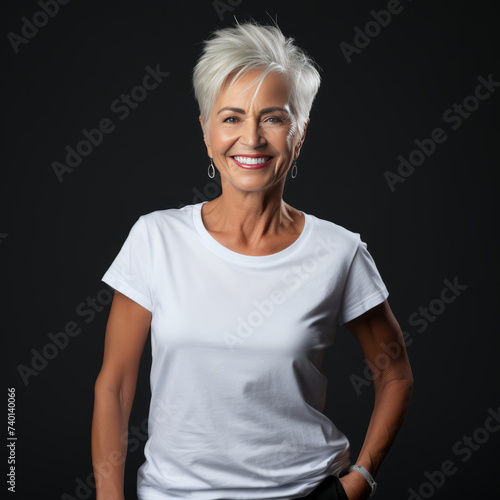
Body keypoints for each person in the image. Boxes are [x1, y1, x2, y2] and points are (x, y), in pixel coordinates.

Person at [91, 21, 414, 500]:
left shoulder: (339, 251)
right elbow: (115, 386)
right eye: (232, 117)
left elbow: (395, 373)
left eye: (273, 118)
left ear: (299, 133)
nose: (252, 138)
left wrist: (360, 480)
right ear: (206, 132)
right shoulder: (155, 238)